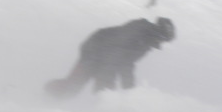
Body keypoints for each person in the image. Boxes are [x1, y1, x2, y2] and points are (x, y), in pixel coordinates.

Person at [45, 17, 175, 99]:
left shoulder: (145, 42)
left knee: (104, 86)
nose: (161, 44)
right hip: (94, 48)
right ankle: (48, 96)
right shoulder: (138, 30)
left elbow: (127, 63)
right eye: (163, 40)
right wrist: (108, 82)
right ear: (159, 34)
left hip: (105, 54)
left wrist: (129, 88)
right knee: (80, 84)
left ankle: (101, 110)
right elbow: (115, 52)